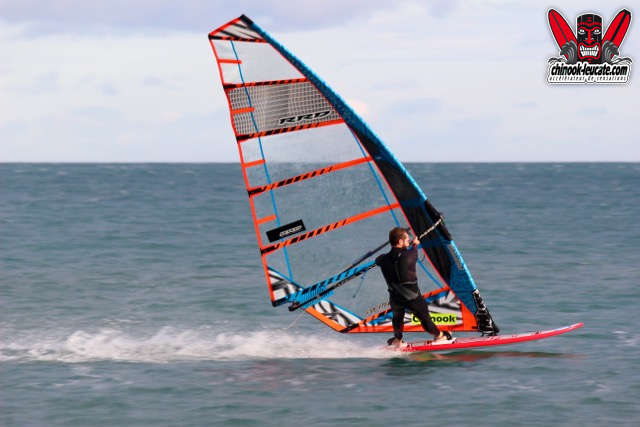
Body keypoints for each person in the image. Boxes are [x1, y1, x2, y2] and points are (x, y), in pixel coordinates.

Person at [375, 227, 454, 348]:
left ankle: (398, 340)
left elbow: (378, 260)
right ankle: (440, 336)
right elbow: (413, 250)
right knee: (425, 319)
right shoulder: (410, 254)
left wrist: (407, 246)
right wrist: (415, 243)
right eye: (407, 240)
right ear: (400, 241)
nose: (409, 242)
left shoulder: (382, 259)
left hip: (395, 298)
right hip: (412, 297)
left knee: (397, 318)